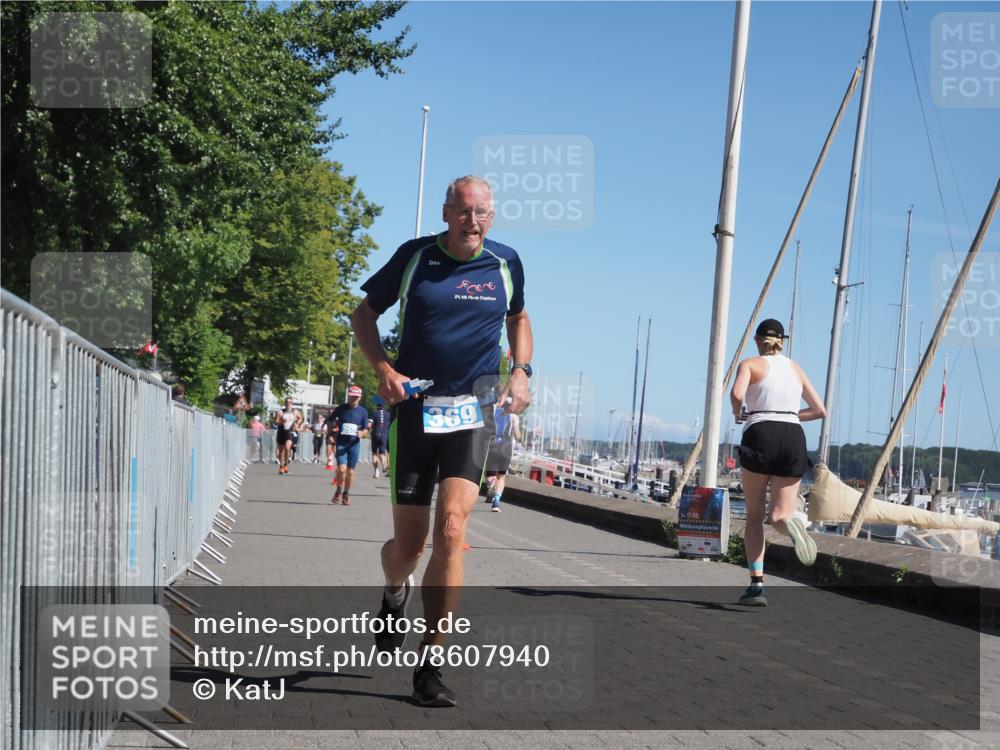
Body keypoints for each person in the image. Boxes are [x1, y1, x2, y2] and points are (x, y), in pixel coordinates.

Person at [352, 175, 532, 707]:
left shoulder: (505, 263)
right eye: (464, 211)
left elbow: (520, 317)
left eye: (482, 213)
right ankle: (394, 594)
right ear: (447, 212)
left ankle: (430, 664)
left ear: (492, 217)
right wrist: (384, 370)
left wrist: (521, 371)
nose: (473, 221)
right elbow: (364, 315)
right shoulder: (415, 258)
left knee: (451, 531)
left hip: (471, 414)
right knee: (407, 549)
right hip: (414, 413)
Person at [730, 318, 826, 607]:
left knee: (754, 516)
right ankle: (792, 523)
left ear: (758, 340)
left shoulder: (750, 364)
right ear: (782, 342)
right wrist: (792, 414)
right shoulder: (795, 368)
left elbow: (736, 394)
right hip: (793, 435)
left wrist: (739, 412)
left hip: (760, 431)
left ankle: (757, 585)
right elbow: (820, 410)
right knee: (779, 515)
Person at [330, 385, 370, 505]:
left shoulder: (363, 412)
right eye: (352, 396)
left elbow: (366, 429)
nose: (354, 399)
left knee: (350, 472)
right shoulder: (341, 408)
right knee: (342, 469)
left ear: (360, 397)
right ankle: (338, 490)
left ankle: (346, 494)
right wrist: (331, 432)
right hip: (341, 442)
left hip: (354, 444)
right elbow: (330, 420)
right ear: (349, 396)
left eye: (356, 397)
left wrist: (361, 433)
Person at [484, 398, 521, 512]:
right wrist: (519, 437)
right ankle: (496, 502)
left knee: (490, 475)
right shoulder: (513, 416)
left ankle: (491, 487)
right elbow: (517, 436)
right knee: (501, 477)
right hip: (506, 448)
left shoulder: (492, 413)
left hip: (493, 446)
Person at [273, 397, 296, 475]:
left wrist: (297, 424)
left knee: (287, 448)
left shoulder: (294, 412)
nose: (288, 404)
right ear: (285, 403)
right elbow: (275, 422)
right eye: (287, 402)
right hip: (281, 433)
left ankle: (286, 464)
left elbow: (300, 418)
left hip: (289, 433)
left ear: (292, 404)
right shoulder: (280, 412)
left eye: (290, 402)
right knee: (280, 452)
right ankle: (281, 466)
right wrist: (281, 421)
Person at [369, 401, 391, 479]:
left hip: (375, 435)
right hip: (384, 435)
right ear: (384, 406)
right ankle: (384, 465)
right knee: (382, 454)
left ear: (377, 406)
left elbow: (369, 425)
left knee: (374, 453)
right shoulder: (389, 414)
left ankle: (376, 472)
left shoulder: (374, 414)